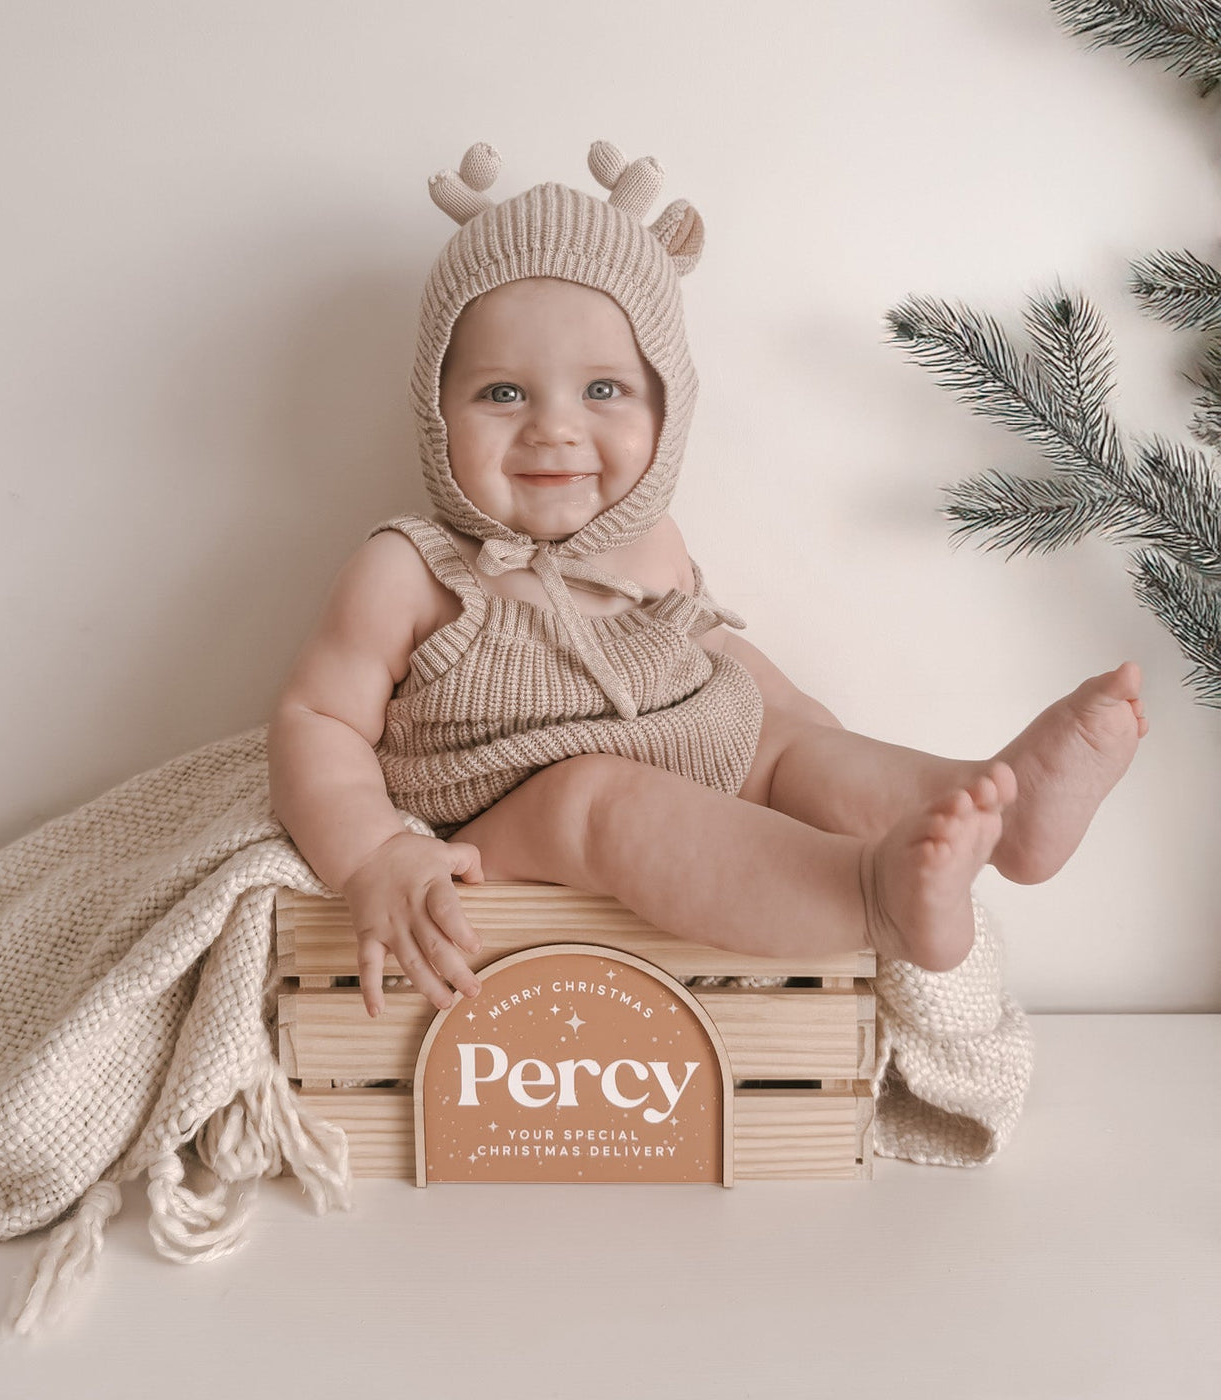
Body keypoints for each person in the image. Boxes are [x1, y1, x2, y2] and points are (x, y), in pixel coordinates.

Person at [267, 141, 1146, 1019]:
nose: (554, 431)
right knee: (592, 794)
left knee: (784, 744)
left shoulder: (652, 544)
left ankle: (995, 805)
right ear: (435, 408)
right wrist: (374, 851)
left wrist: (815, 742)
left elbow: (724, 657)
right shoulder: (412, 569)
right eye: (503, 394)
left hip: (689, 768)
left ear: (666, 407)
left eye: (603, 390)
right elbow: (319, 722)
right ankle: (871, 897)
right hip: (508, 827)